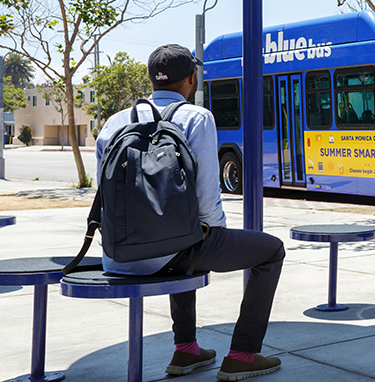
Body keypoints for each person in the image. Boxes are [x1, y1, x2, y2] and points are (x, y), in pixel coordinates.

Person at [95, 44, 285, 381]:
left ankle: (186, 351)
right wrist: (215, 235)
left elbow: (105, 195)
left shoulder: (115, 122)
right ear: (192, 79)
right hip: (175, 252)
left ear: (152, 80)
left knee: (183, 238)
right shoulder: (197, 118)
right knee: (268, 250)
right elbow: (208, 198)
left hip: (118, 254)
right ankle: (242, 355)